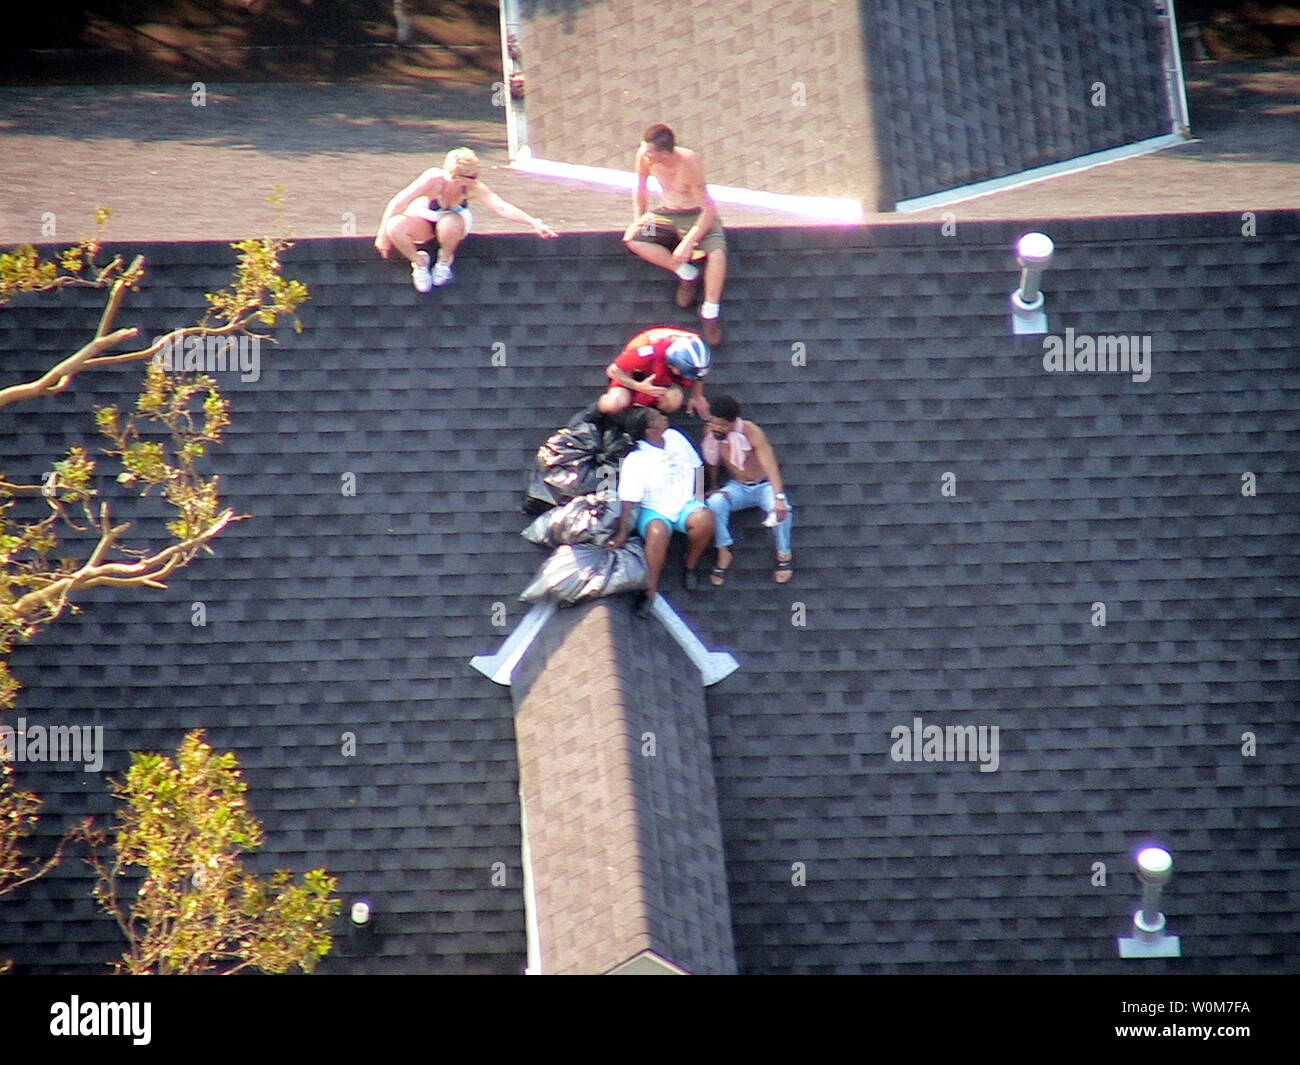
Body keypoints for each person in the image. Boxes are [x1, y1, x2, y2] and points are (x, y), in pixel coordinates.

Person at [374, 147, 557, 291]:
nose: (475, 180)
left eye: (476, 176)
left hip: (453, 221)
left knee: (448, 224)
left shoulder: (474, 188)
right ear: (454, 175)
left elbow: (501, 207)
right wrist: (382, 235)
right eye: (471, 176)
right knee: (395, 227)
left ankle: (444, 261)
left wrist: (533, 222)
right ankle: (419, 262)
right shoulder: (433, 179)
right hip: (426, 218)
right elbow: (398, 202)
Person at [622, 124, 727, 347]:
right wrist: (640, 218)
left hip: (699, 217)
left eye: (650, 152)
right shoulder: (645, 156)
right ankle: (686, 273)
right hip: (668, 215)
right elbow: (641, 188)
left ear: (665, 153)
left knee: (717, 255)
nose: (646, 155)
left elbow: (708, 210)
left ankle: (710, 312)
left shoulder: (689, 164)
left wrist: (688, 242)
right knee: (634, 238)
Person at [609, 407, 716, 615]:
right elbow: (629, 501)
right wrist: (622, 533)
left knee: (706, 520)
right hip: (656, 510)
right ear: (649, 430)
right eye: (658, 418)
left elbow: (697, 466)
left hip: (686, 503)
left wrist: (700, 498)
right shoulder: (636, 460)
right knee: (657, 532)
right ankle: (649, 590)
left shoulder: (675, 437)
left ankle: (690, 565)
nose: (664, 417)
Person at [702, 394, 794, 585]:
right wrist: (713, 485)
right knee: (714, 503)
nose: (717, 428)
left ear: (732, 422)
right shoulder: (711, 433)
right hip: (738, 487)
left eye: (721, 425)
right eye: (714, 423)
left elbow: (770, 464)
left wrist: (778, 497)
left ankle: (784, 555)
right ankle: (723, 550)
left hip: (763, 486)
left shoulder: (752, 432)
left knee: (782, 511)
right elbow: (712, 460)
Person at [598, 326, 712, 418]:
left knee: (674, 400)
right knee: (615, 403)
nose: (684, 376)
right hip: (634, 373)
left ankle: (648, 416)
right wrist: (638, 386)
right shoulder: (645, 350)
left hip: (660, 376)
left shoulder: (696, 346)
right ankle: (597, 412)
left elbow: (698, 374)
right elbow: (612, 370)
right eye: (682, 371)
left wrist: (697, 396)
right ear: (673, 361)